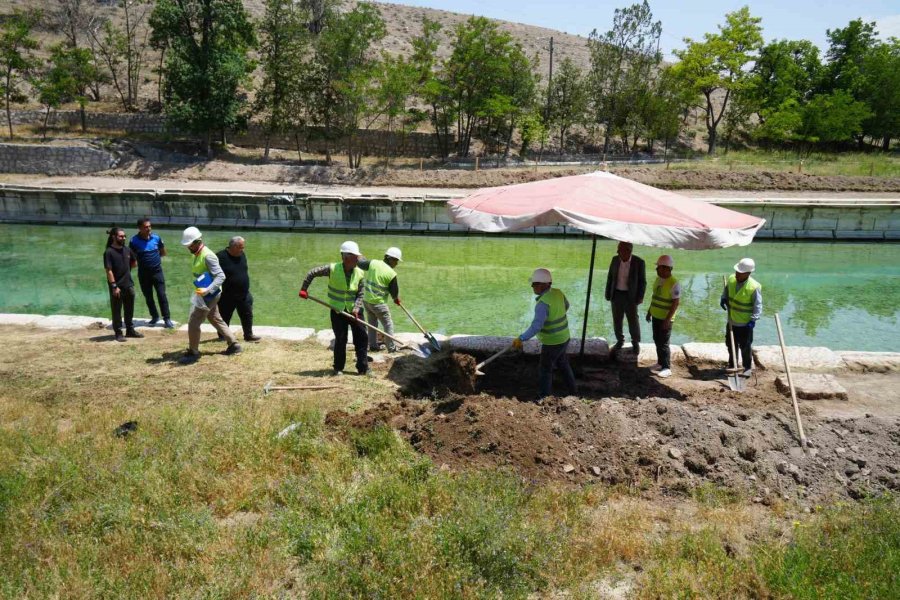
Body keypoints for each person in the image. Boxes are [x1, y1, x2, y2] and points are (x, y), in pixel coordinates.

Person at [299, 241, 368, 376]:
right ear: (346, 257)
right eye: (356, 257)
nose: (358, 259)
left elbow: (361, 293)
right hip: (337, 310)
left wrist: (356, 307)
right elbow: (311, 273)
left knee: (362, 338)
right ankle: (338, 368)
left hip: (355, 312)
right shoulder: (332, 269)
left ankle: (363, 368)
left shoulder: (359, 272)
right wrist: (304, 289)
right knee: (341, 339)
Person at [512, 268, 578, 401]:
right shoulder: (558, 293)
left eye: (534, 284)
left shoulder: (543, 304)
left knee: (545, 368)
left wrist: (521, 338)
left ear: (543, 284)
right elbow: (567, 305)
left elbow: (536, 326)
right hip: (564, 337)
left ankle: (543, 397)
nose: (532, 287)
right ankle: (573, 392)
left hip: (552, 342)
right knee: (563, 363)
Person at [178, 226, 241, 364]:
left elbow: (220, 276)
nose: (187, 247)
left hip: (208, 295)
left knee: (193, 322)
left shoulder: (208, 256)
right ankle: (234, 344)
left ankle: (193, 352)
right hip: (206, 294)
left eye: (189, 244)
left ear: (197, 242)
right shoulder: (196, 254)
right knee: (215, 318)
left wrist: (207, 290)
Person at [129, 217, 174, 328]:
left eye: (149, 226)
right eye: (146, 227)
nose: (149, 228)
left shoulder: (157, 238)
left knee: (162, 295)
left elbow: (163, 253)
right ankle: (154, 316)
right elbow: (132, 258)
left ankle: (167, 319)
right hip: (143, 274)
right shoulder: (133, 241)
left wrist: (153, 260)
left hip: (157, 272)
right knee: (148, 296)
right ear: (139, 228)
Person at [721, 257, 762, 377]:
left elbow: (758, 305)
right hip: (732, 320)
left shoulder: (754, 287)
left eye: (740, 272)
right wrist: (723, 298)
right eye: (737, 271)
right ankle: (732, 365)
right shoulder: (731, 279)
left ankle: (747, 367)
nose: (737, 274)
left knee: (745, 346)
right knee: (730, 344)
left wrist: (753, 320)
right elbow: (726, 290)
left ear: (748, 273)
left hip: (745, 323)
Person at [604, 241, 646, 356]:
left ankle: (635, 343)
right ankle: (620, 340)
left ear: (628, 251)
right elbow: (610, 277)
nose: (617, 252)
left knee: (633, 320)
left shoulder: (639, 262)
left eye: (620, 250)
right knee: (617, 319)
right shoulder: (615, 259)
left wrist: (640, 297)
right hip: (616, 294)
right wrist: (607, 293)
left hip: (631, 296)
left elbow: (643, 282)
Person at [216, 236, 261, 342]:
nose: (243, 250)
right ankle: (223, 336)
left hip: (244, 293)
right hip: (227, 295)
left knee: (247, 315)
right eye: (241, 247)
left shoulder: (242, 255)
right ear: (234, 246)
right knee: (224, 316)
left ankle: (248, 335)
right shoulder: (220, 257)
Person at [103, 227, 144, 343]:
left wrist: (126, 269)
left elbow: (134, 263)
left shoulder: (127, 249)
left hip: (129, 285)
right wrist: (114, 286)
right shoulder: (108, 252)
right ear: (114, 237)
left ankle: (130, 330)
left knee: (129, 309)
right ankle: (118, 332)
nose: (124, 238)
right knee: (116, 311)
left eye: (124, 236)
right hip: (117, 287)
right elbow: (109, 271)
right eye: (121, 236)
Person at [359, 247, 402, 353]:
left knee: (372, 323)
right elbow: (394, 293)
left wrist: (359, 256)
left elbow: (360, 263)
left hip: (367, 301)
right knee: (388, 324)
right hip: (379, 304)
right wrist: (396, 299)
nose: (396, 263)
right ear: (390, 258)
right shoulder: (391, 274)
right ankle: (391, 348)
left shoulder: (373, 263)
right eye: (396, 260)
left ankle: (373, 346)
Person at [645, 255, 681, 378]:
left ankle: (666, 367)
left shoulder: (674, 283)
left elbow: (676, 303)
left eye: (658, 268)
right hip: (656, 315)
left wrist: (667, 320)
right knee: (656, 339)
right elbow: (655, 296)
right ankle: (660, 363)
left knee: (664, 342)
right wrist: (649, 311)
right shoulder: (658, 279)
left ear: (667, 268)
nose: (657, 270)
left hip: (665, 319)